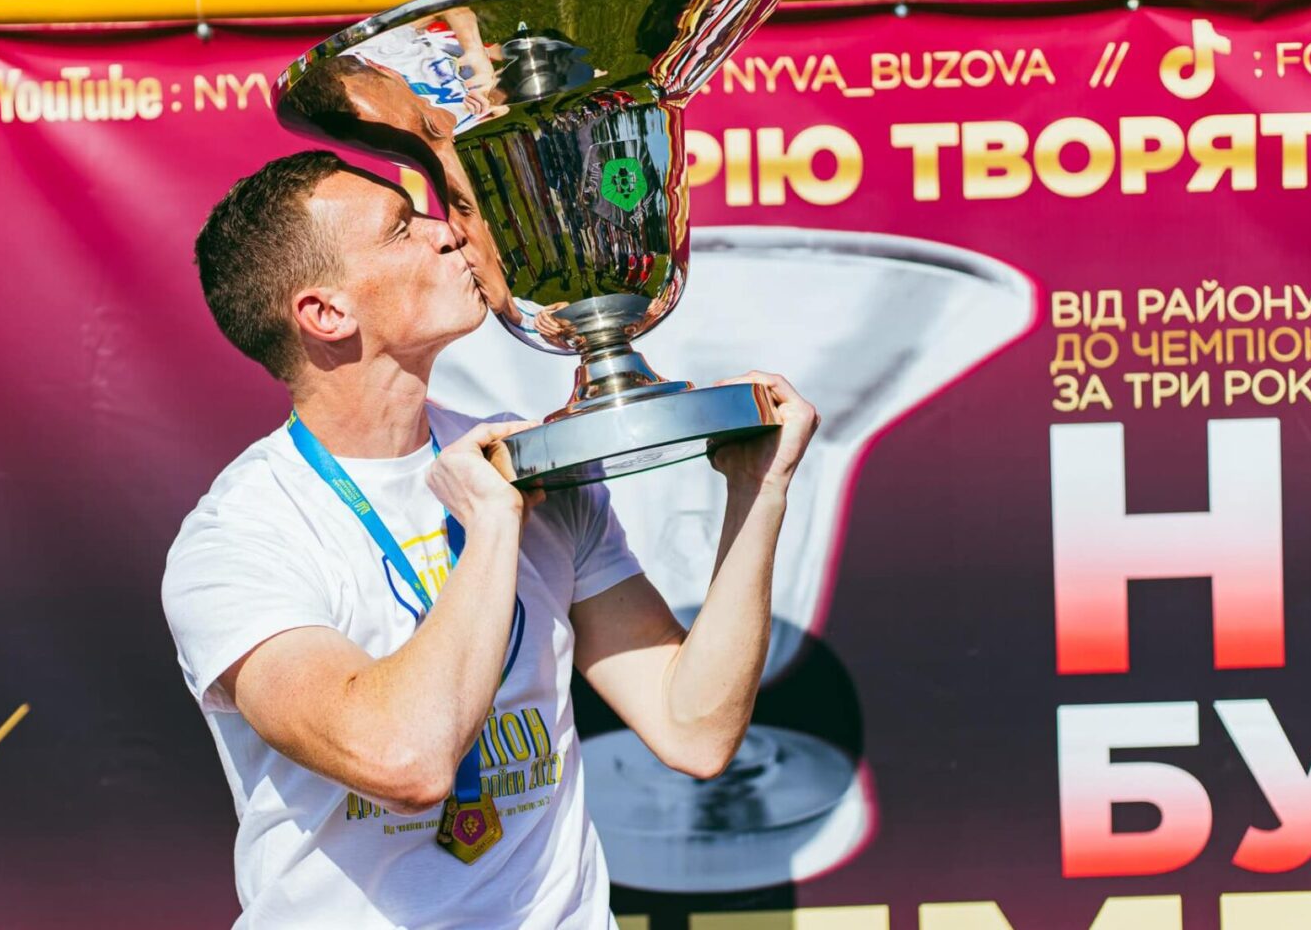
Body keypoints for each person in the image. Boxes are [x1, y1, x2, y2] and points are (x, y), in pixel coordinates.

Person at [161, 149, 819, 928]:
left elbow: (694, 731)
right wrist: (492, 526)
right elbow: (404, 760)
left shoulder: (528, 461)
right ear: (326, 314)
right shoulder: (239, 539)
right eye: (401, 228)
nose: (447, 233)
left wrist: (757, 491)